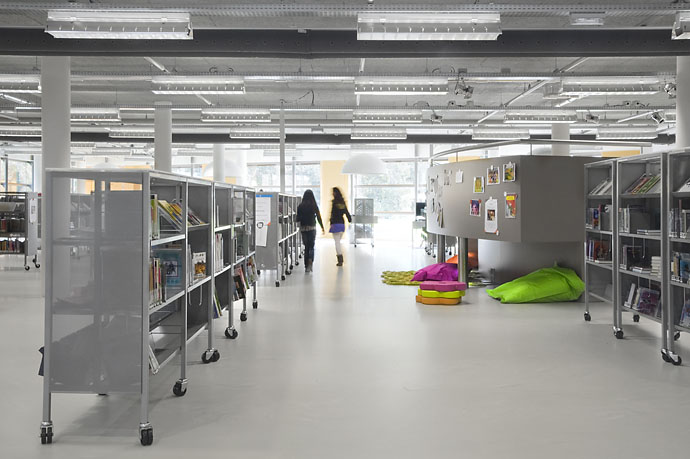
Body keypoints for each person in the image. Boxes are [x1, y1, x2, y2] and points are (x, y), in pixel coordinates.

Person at [296, 189, 324, 273]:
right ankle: (310, 261)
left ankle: (306, 266)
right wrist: (322, 227)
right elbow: (319, 217)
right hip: (312, 228)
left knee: (306, 247)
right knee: (311, 246)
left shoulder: (300, 206)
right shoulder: (314, 205)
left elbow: (297, 218)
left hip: (303, 228)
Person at [329, 187, 351, 267]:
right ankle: (341, 256)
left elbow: (332, 213)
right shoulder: (342, 202)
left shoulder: (334, 202)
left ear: (335, 193)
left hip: (335, 224)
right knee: (338, 241)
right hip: (342, 225)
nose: (332, 193)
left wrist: (331, 222)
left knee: (337, 242)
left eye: (333, 192)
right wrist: (350, 220)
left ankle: (340, 259)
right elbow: (347, 213)